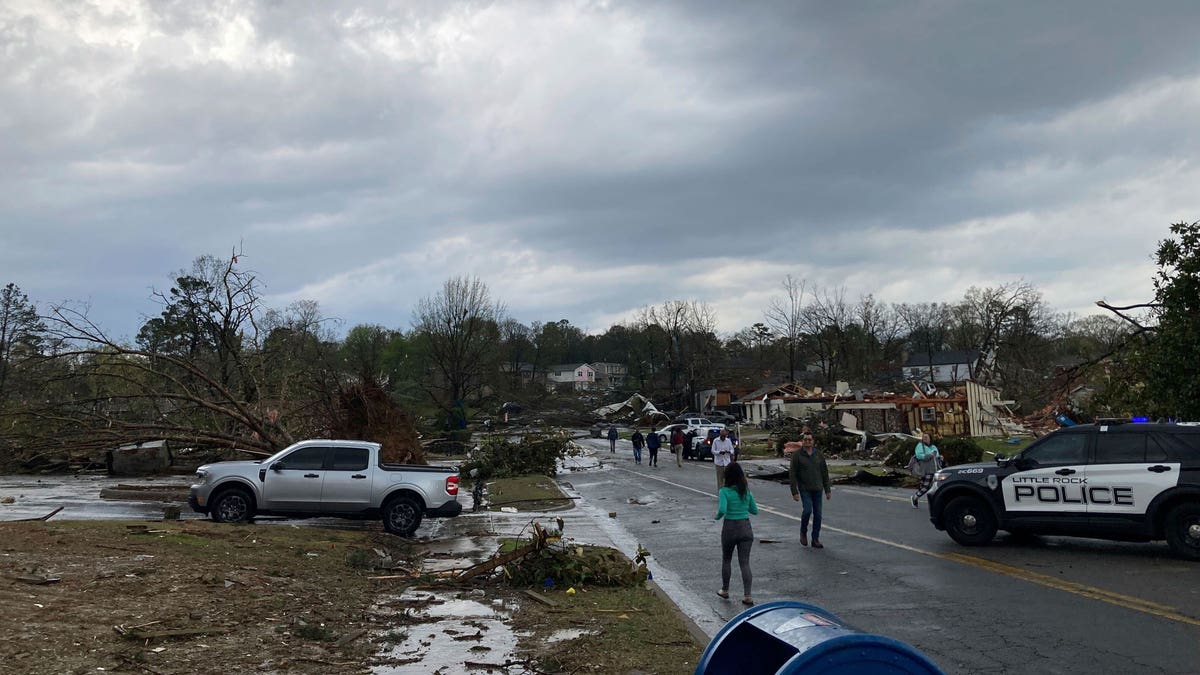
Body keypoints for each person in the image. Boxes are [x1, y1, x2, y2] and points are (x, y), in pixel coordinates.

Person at [714, 461, 758, 606]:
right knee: (744, 563)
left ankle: (725, 590)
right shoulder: (746, 491)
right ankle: (748, 595)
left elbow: (722, 509)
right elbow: (754, 510)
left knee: (726, 559)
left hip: (730, 528)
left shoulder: (724, 491)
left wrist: (716, 517)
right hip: (745, 527)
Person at [787, 434, 831, 548]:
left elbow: (824, 473)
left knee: (818, 515)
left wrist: (827, 489)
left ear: (813, 441)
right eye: (805, 440)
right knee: (807, 510)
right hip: (805, 488)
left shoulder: (819, 455)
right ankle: (803, 532)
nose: (807, 441)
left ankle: (815, 539)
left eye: (809, 440)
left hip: (818, 488)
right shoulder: (797, 455)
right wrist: (794, 491)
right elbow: (792, 474)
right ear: (802, 441)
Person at [909, 432, 941, 508]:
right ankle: (915, 497)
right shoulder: (920, 446)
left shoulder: (933, 447)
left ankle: (934, 503)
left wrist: (938, 457)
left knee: (934, 486)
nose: (925, 439)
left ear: (930, 438)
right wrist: (930, 455)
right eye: (923, 437)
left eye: (926, 437)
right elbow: (919, 456)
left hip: (935, 469)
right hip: (926, 469)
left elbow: (937, 455)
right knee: (926, 486)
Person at [711, 428, 736, 492]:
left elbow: (732, 450)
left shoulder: (728, 441)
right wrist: (719, 452)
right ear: (720, 435)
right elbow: (713, 451)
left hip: (727, 462)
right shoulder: (716, 441)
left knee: (727, 479)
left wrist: (729, 451)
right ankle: (720, 492)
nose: (723, 438)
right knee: (720, 479)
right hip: (719, 463)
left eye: (724, 436)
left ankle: (727, 491)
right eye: (722, 436)